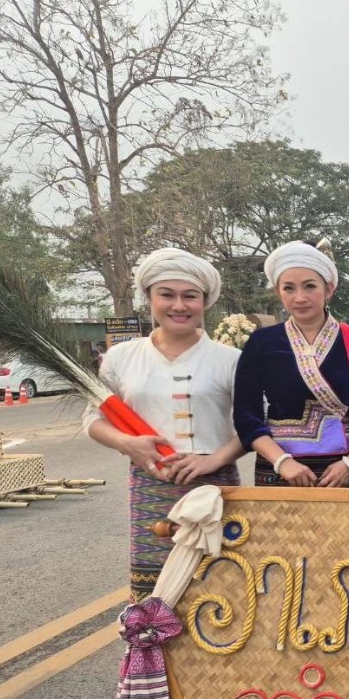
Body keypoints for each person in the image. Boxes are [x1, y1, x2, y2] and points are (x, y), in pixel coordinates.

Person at [84, 248, 243, 600]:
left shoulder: (230, 360)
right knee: (153, 590)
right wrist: (128, 444)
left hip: (214, 489)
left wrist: (213, 460)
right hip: (150, 484)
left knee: (219, 589)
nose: (179, 306)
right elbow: (92, 420)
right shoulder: (121, 357)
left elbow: (252, 426)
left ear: (205, 301)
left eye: (190, 296)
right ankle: (149, 656)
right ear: (149, 299)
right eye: (166, 295)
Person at [233, 240, 349, 487]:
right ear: (278, 292)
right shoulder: (262, 342)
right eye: (289, 288)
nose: (300, 297)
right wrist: (282, 462)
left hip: (345, 472)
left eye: (310, 286)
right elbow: (246, 414)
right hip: (278, 469)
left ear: (329, 289)